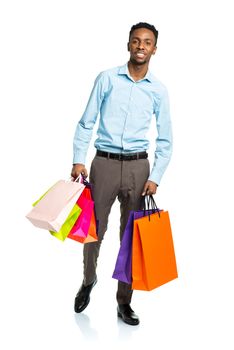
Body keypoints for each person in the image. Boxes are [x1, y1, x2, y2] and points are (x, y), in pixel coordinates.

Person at [71, 22, 173, 326]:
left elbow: (166, 138)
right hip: (103, 163)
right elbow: (86, 122)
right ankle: (89, 280)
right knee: (93, 231)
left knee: (132, 237)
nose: (141, 46)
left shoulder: (158, 90)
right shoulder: (106, 79)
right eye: (136, 41)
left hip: (138, 169)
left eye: (147, 42)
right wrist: (79, 159)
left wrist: (155, 175)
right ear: (128, 45)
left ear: (155, 49)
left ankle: (124, 302)